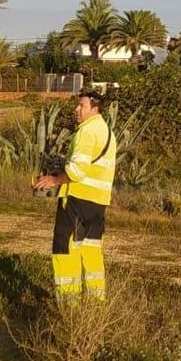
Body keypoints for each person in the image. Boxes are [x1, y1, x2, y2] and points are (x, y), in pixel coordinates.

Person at [34, 89, 115, 302]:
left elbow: (77, 171)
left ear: (95, 109)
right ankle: (96, 303)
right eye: (77, 105)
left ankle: (70, 306)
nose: (76, 109)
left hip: (77, 200)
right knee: (90, 251)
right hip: (97, 203)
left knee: (65, 250)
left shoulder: (86, 132)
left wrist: (53, 180)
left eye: (82, 106)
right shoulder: (106, 130)